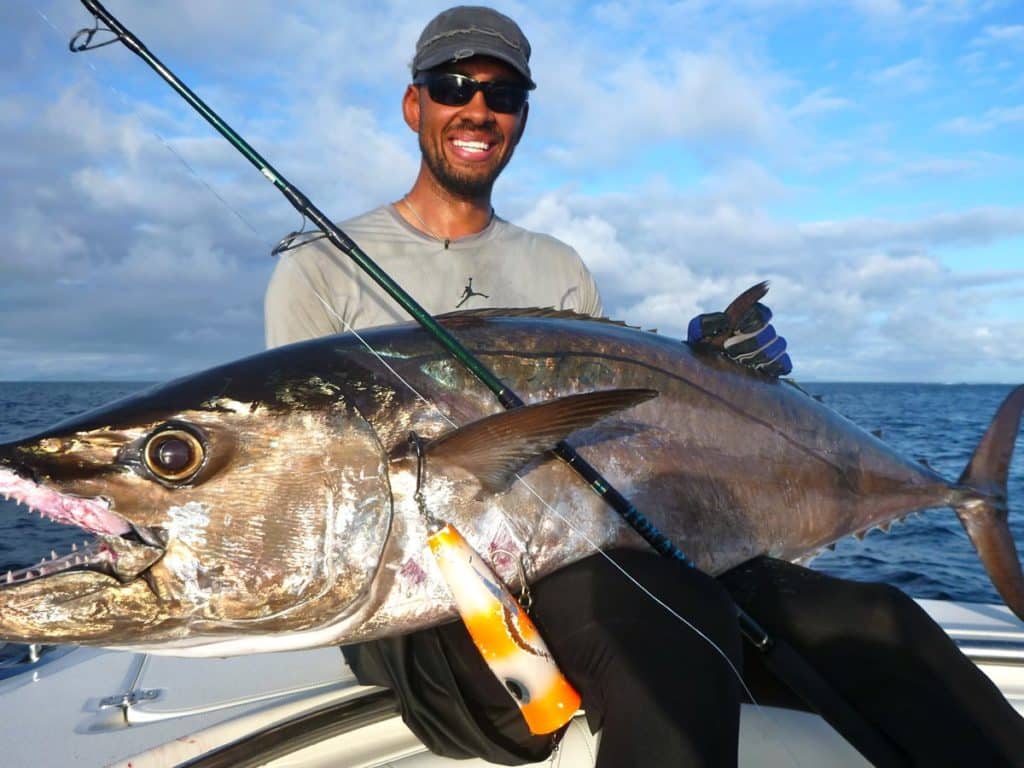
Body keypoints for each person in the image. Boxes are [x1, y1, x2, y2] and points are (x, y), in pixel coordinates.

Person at [265, 7, 1024, 766]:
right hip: (411, 599)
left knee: (885, 625)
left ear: (522, 117)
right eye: (453, 84)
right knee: (662, 625)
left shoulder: (556, 267)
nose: (478, 110)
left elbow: (605, 447)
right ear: (414, 103)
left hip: (576, 557)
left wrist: (715, 373)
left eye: (503, 96)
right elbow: (303, 484)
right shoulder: (321, 268)